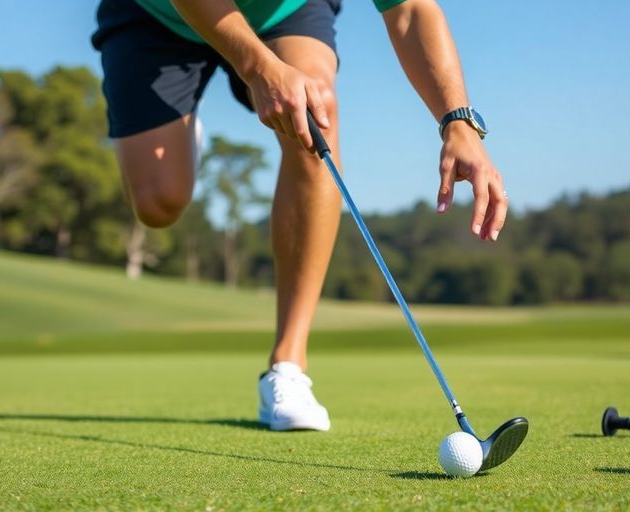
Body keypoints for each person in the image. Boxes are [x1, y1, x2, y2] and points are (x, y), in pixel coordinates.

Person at [91, 0, 508, 432]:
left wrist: (457, 122)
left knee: (315, 112)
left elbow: (411, 10)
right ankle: (179, 140)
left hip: (281, 11)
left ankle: (287, 365)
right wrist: (255, 67)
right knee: (160, 203)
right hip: (159, 15)